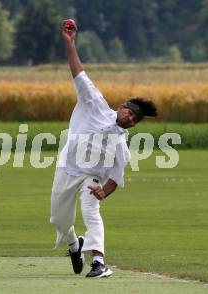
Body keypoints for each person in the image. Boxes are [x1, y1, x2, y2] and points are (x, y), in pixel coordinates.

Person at [50, 20, 157, 278]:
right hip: (67, 168)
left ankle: (99, 262)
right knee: (59, 220)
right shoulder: (95, 104)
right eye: (130, 113)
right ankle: (75, 245)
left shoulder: (121, 145)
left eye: (135, 120)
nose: (130, 119)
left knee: (91, 211)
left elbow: (116, 179)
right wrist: (70, 44)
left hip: (91, 177)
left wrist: (102, 192)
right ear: (121, 107)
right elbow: (79, 74)